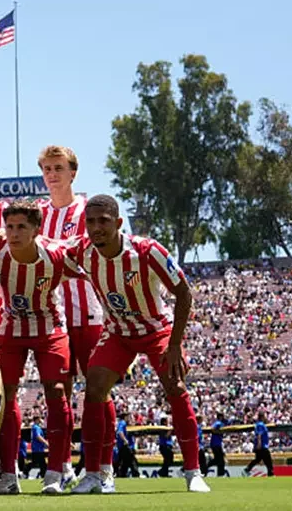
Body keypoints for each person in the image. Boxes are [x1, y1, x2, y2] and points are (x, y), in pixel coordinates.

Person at [68, 195, 210, 494]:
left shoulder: (147, 250)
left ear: (118, 223)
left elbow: (184, 293)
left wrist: (175, 345)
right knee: (94, 387)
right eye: (90, 222)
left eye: (103, 221)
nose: (96, 227)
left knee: (175, 387)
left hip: (156, 329)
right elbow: (48, 249)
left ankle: (193, 472)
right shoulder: (82, 251)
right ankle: (95, 474)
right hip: (118, 332)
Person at [0, 201, 82, 495]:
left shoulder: (56, 255)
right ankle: (8, 475)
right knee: (4, 394)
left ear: (36, 230)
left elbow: (91, 264)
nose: (14, 233)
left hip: (49, 326)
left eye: (21, 227)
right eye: (9, 227)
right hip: (10, 326)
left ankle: (55, 473)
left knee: (56, 391)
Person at [37, 145, 107, 490]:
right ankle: (62, 465)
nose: (52, 174)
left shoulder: (88, 210)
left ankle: (103, 468)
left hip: (89, 312)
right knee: (57, 394)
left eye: (59, 168)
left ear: (73, 173)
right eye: (47, 169)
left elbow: (83, 253)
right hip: (53, 316)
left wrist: (46, 246)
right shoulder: (37, 212)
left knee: (98, 392)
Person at [245, 412, 274, 476]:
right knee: (268, 460)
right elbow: (259, 435)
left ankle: (247, 469)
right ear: (262, 417)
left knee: (258, 459)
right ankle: (270, 473)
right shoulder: (260, 424)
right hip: (262, 445)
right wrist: (259, 444)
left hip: (262, 445)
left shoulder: (260, 424)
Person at [115, 412, 138, 478]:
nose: (129, 418)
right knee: (132, 459)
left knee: (125, 461)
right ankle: (135, 474)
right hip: (124, 445)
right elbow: (120, 432)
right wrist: (125, 440)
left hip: (121, 446)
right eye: (128, 417)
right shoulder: (123, 423)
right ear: (125, 417)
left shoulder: (121, 423)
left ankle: (122, 475)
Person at [209, 413, 226, 477]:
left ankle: (205, 467)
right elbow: (213, 429)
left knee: (217, 460)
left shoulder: (217, 423)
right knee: (220, 460)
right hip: (216, 444)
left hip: (215, 444)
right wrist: (219, 432)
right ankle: (220, 474)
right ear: (220, 417)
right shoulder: (219, 423)